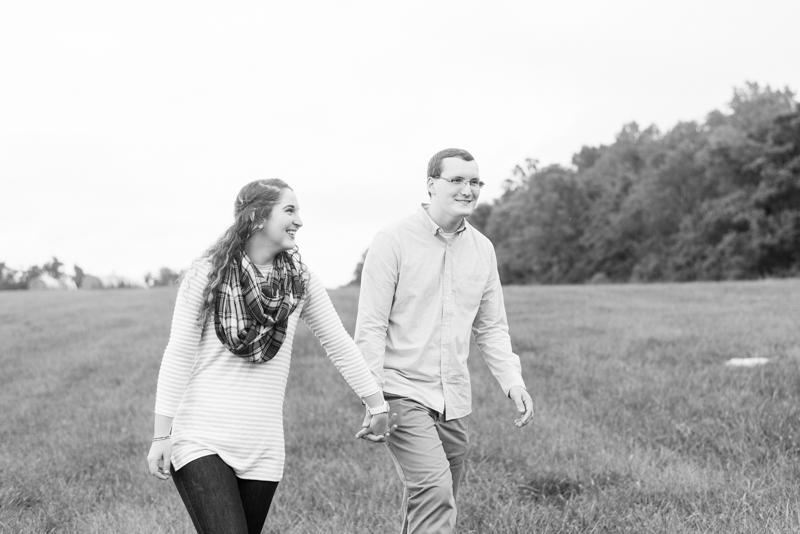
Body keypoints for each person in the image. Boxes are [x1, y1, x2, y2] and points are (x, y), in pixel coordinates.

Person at [147, 179, 396, 534]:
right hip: (201, 437)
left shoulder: (300, 281)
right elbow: (179, 351)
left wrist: (377, 405)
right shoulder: (207, 274)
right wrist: (161, 436)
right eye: (290, 210)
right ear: (258, 216)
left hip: (262, 446)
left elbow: (339, 343)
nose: (300, 220)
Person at [355, 148, 535, 533]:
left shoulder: (482, 250)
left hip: (452, 399)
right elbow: (370, 326)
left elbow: (491, 327)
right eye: (457, 180)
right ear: (431, 184)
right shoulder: (393, 240)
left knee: (438, 496)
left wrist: (513, 382)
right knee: (435, 492)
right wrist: (374, 400)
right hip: (401, 391)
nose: (467, 189)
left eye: (474, 182)